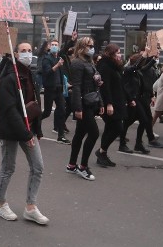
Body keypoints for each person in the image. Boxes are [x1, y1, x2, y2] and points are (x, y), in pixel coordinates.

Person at [0, 42, 48, 225]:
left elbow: (34, 103)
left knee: (38, 167)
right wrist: (26, 135)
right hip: (11, 130)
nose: (27, 53)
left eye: (29, 50)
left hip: (29, 128)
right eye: (23, 51)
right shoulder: (9, 78)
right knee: (8, 168)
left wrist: (37, 130)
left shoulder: (29, 74)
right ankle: (1, 204)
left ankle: (30, 207)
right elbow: (9, 110)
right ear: (15, 54)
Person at [66, 36, 104, 181]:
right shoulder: (77, 63)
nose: (92, 48)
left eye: (93, 45)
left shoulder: (90, 62)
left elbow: (96, 85)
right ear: (81, 47)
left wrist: (100, 103)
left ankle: (71, 165)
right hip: (83, 103)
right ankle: (82, 167)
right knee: (93, 133)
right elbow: (76, 87)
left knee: (80, 134)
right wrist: (78, 108)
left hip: (91, 101)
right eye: (89, 45)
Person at [120, 52, 163, 154]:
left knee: (141, 120)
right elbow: (127, 86)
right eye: (142, 62)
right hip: (131, 100)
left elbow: (145, 68)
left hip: (138, 99)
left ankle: (138, 144)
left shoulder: (138, 71)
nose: (143, 64)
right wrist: (130, 99)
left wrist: (153, 58)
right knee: (131, 121)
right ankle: (123, 144)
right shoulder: (128, 70)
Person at [95, 43, 126, 167]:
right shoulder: (105, 66)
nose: (120, 54)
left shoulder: (114, 66)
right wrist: (109, 104)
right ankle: (101, 151)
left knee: (110, 127)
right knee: (118, 128)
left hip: (117, 100)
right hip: (110, 102)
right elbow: (105, 87)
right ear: (111, 53)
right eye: (117, 52)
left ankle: (103, 154)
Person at [41, 38, 71, 144]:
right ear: (49, 46)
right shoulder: (46, 59)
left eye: (56, 45)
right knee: (47, 112)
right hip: (50, 89)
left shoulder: (59, 58)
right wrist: (57, 65)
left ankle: (61, 135)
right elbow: (48, 72)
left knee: (62, 111)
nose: (54, 46)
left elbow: (60, 74)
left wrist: (65, 83)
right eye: (52, 44)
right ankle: (35, 122)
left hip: (59, 89)